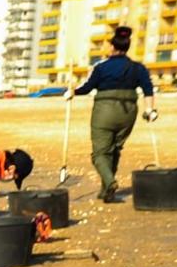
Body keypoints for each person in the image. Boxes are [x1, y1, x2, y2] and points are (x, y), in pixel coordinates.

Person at [64, 24, 157, 202]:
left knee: (100, 153)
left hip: (105, 111)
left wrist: (72, 92)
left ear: (112, 47)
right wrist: (150, 110)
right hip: (128, 112)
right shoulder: (138, 68)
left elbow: (87, 87)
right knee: (115, 149)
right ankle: (107, 190)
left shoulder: (101, 67)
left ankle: (110, 181)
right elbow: (148, 89)